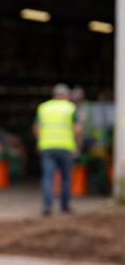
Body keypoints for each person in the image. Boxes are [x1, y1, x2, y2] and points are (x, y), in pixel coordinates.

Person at [35, 83, 82, 215]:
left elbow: (37, 128)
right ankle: (65, 206)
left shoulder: (43, 107)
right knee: (66, 177)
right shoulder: (70, 107)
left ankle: (48, 207)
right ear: (65, 95)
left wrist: (40, 143)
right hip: (66, 147)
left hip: (47, 146)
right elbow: (77, 129)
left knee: (48, 177)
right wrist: (77, 146)